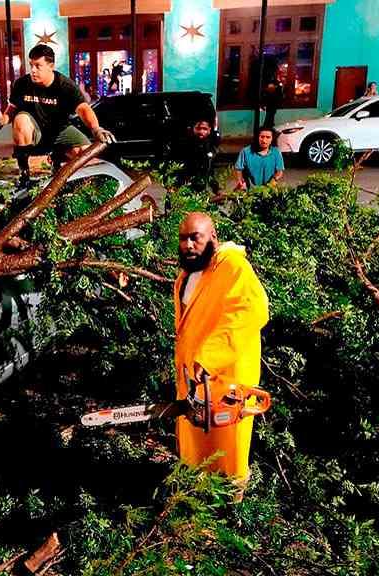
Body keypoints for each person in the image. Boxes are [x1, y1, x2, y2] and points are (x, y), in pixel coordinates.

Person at [174, 212, 269, 481]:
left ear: (213, 237)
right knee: (195, 456)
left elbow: (250, 311)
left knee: (227, 459)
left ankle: (232, 499)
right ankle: (193, 496)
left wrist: (210, 358)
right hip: (194, 381)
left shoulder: (233, 266)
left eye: (195, 238)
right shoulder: (187, 275)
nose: (188, 245)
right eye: (183, 239)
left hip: (226, 383)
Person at [0, 44, 115, 188]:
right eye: (31, 65)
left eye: (38, 66)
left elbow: (83, 109)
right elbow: (11, 111)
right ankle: (25, 174)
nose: (33, 70)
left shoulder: (65, 85)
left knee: (85, 152)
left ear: (51, 66)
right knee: (21, 119)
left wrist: (96, 129)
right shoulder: (22, 84)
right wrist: (0, 119)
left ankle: (58, 161)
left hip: (59, 130)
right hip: (35, 132)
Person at [170, 118, 220, 191]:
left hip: (201, 184)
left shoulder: (210, 145)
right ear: (193, 129)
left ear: (209, 130)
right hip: (187, 182)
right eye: (198, 128)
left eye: (204, 129)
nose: (201, 131)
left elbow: (210, 171)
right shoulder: (186, 145)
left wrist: (216, 189)